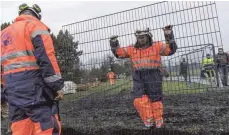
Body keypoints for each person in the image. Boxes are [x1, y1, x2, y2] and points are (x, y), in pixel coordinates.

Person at [1, 3, 64, 135]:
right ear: (37, 14)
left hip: (12, 89)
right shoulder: (36, 26)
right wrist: (57, 86)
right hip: (34, 87)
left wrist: (3, 91)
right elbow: (47, 58)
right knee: (46, 124)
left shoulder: (4, 33)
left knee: (20, 126)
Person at [109, 25, 177, 128]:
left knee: (156, 100)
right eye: (139, 37)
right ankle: (149, 120)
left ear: (148, 36)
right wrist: (114, 43)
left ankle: (158, 121)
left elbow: (170, 50)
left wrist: (168, 34)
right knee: (139, 100)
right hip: (138, 77)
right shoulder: (132, 49)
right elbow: (119, 54)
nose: (141, 39)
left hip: (154, 75)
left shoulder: (157, 46)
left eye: (143, 37)